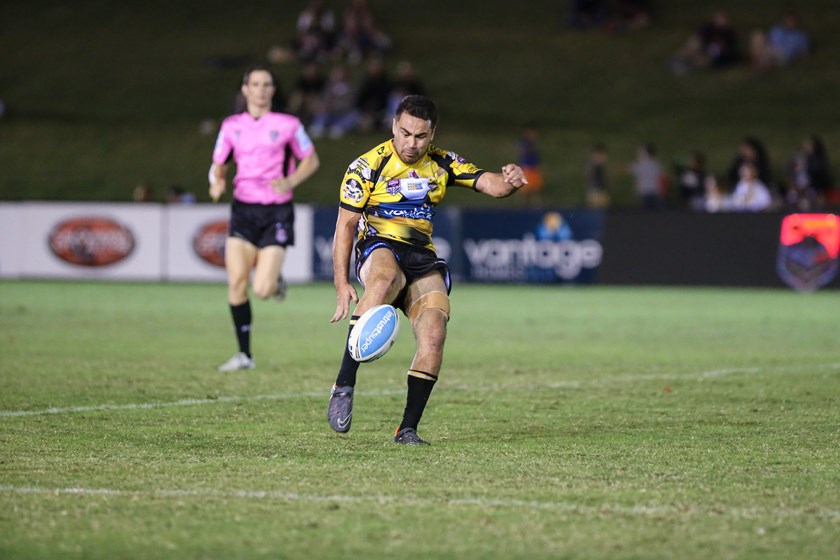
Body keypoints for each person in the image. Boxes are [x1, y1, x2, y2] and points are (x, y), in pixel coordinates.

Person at [326, 95, 528, 445]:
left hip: (421, 256)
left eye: (420, 136)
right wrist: (341, 281)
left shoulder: (442, 162)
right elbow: (345, 225)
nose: (411, 143)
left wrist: (510, 180)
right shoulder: (367, 166)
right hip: (379, 244)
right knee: (385, 278)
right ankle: (344, 384)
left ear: (432, 134)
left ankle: (407, 429)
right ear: (394, 126)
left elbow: (490, 184)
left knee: (435, 330)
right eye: (405, 133)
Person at [209, 65, 321, 372]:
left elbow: (311, 159)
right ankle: (244, 355)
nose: (261, 90)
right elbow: (219, 164)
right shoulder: (231, 126)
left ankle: (274, 282)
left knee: (261, 289)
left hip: (276, 212)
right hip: (243, 210)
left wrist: (291, 180)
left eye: (267, 84)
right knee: (236, 282)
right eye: (255, 84)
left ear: (273, 90)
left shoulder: (288, 125)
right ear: (245, 89)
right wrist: (217, 182)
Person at [670, 10, 739, 75]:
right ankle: (678, 59)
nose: (722, 21)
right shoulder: (708, 27)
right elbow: (700, 37)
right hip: (702, 46)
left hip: (714, 53)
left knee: (708, 56)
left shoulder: (729, 33)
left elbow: (730, 48)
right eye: (719, 18)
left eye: (724, 19)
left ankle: (687, 65)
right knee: (695, 43)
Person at [516, 121, 544, 206]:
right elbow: (521, 152)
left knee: (536, 191)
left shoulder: (533, 143)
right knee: (524, 191)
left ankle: (536, 208)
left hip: (534, 169)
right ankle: (521, 208)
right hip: (527, 169)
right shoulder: (524, 142)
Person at [629, 143, 664, 210]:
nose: (638, 154)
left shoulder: (640, 164)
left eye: (641, 152)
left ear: (646, 153)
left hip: (648, 192)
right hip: (654, 191)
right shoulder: (656, 164)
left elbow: (631, 170)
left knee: (647, 212)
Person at [586, 143, 609, 208]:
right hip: (596, 191)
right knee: (596, 208)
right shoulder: (593, 165)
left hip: (600, 190)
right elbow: (590, 177)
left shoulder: (600, 166)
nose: (605, 157)